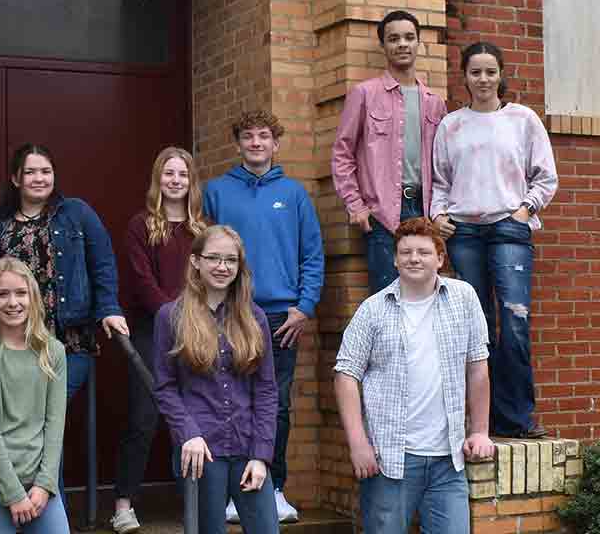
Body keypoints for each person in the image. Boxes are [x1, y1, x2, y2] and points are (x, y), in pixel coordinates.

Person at [0, 143, 128, 497]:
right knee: (22, 426)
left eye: (45, 171)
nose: (38, 178)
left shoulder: (76, 213)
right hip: (13, 347)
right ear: (15, 178)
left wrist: (109, 307)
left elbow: (103, 262)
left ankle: (44, 505)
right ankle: (14, 501)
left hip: (68, 342)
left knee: (47, 423)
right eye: (30, 172)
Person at [334, 217, 495, 534]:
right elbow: (345, 375)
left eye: (423, 251)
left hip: (448, 459)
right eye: (405, 252)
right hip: (390, 459)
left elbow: (478, 367)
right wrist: (358, 443)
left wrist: (480, 431)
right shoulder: (373, 309)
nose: (414, 258)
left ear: (440, 258)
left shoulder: (464, 298)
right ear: (394, 259)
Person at [431, 41, 558, 439]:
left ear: (501, 74)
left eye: (490, 71)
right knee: (476, 326)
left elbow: (545, 176)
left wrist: (526, 209)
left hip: (509, 228)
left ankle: (517, 419)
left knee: (515, 323)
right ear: (464, 77)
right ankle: (477, 422)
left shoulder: (522, 119)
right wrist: (438, 215)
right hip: (464, 232)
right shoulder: (451, 125)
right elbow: (439, 180)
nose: (483, 79)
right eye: (475, 72)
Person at [203, 110, 323, 523]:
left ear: (275, 144)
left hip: (279, 318)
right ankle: (232, 493)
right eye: (248, 137)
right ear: (237, 144)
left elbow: (312, 254)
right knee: (225, 402)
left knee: (276, 406)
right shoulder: (215, 192)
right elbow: (203, 252)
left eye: (264, 137)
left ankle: (272, 488)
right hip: (227, 313)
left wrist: (304, 307)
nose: (256, 143)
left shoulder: (293, 194)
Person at [153, 225, 280, 534]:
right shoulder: (171, 317)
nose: (222, 267)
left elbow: (265, 390)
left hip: (248, 446)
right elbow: (164, 387)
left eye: (231, 260)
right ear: (196, 261)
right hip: (201, 450)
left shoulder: (255, 318)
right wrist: (188, 433)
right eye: (213, 258)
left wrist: (261, 455)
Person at [111, 147, 208, 533]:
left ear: (191, 181)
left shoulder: (202, 229)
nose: (175, 180)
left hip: (197, 332)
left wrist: (196, 322)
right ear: (158, 178)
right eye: (169, 173)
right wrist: (175, 316)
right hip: (152, 332)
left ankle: (196, 504)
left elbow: (212, 280)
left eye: (182, 174)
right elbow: (142, 283)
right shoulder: (141, 225)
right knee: (144, 418)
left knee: (194, 418)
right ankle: (123, 503)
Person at [331, 10, 448, 294]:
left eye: (409, 38)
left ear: (419, 43)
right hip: (382, 212)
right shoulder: (364, 94)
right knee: (387, 297)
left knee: (427, 294)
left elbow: (445, 164)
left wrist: (443, 211)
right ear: (384, 45)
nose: (402, 44)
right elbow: (342, 152)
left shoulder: (435, 102)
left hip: (424, 210)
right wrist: (356, 205)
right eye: (393, 39)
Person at [0, 257, 69, 534]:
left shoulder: (53, 351)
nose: (13, 302)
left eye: (21, 293)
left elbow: (55, 423)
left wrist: (45, 484)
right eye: (3, 294)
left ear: (33, 297)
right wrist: (14, 493)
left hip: (40, 479)